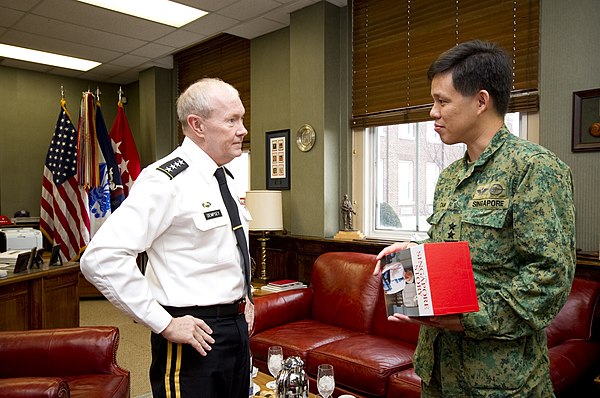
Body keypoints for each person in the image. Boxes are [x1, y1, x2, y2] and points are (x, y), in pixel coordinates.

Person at [374, 40, 576, 397]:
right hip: (438, 371)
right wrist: (418, 252)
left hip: (498, 380)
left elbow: (549, 278)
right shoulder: (450, 176)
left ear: (481, 101)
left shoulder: (534, 169)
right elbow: (462, 255)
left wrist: (469, 318)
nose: (432, 112)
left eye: (442, 101)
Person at [80, 78, 254, 398]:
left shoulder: (224, 177)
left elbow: (229, 250)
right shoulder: (165, 180)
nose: (242, 129)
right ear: (196, 125)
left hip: (235, 327)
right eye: (231, 120)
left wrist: (247, 298)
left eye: (241, 118)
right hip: (191, 332)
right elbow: (100, 257)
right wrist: (163, 322)